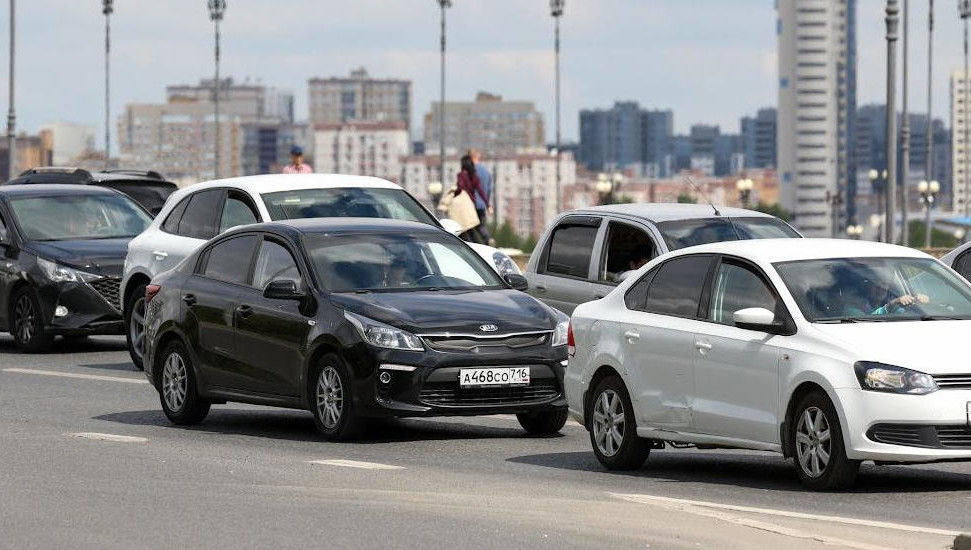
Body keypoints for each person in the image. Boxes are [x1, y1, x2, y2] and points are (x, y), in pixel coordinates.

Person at [456, 154, 490, 244]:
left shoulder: (461, 175)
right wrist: (488, 205)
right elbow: (481, 191)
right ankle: (487, 241)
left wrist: (454, 194)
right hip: (474, 204)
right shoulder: (475, 177)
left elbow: (460, 187)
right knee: (477, 226)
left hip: (465, 206)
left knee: (465, 228)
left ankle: (472, 247)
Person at [468, 149, 494, 245]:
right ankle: (488, 240)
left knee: (467, 227)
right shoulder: (486, 172)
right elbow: (489, 189)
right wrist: (487, 205)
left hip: (470, 204)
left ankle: (474, 247)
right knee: (480, 226)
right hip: (482, 204)